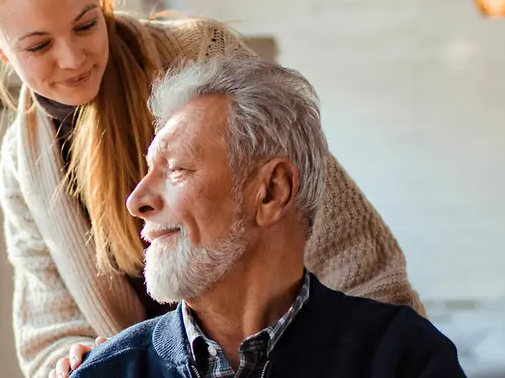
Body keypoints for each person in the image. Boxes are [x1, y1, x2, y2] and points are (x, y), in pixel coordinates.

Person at [0, 0, 423, 376]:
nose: (71, 58)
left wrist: (386, 350)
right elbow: (49, 329)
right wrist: (76, 359)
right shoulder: (21, 167)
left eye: (86, 24)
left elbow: (329, 227)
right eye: (39, 45)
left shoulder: (199, 56)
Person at [71, 54, 465, 378]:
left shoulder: (406, 360)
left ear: (272, 191)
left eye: (176, 170)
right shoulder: (103, 373)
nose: (136, 200)